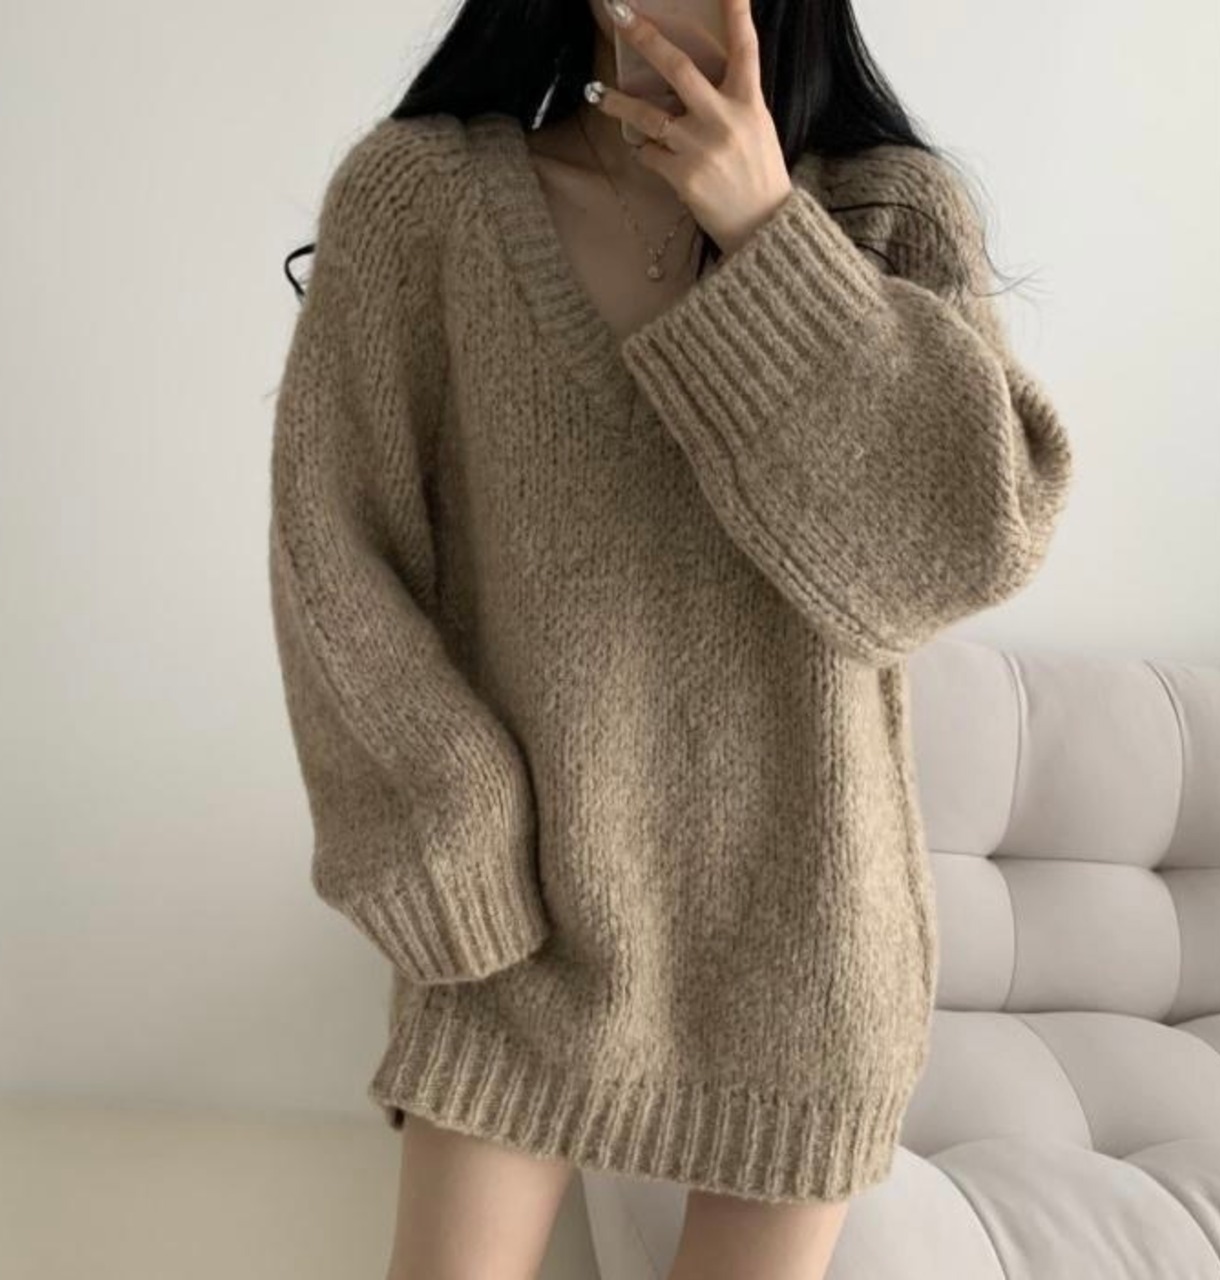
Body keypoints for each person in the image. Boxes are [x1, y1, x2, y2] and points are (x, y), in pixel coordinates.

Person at [268, 0, 1074, 1275]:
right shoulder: (420, 204)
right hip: (522, 941)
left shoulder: (888, 213)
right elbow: (335, 548)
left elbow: (958, 548)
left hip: (808, 961)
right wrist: (452, 842)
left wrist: (765, 234)